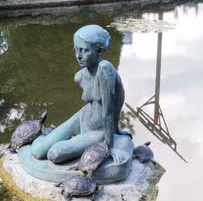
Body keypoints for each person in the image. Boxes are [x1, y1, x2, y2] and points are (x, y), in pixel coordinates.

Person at [30, 25, 130, 164]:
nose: (78, 56)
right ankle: (41, 136)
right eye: (76, 49)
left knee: (55, 154)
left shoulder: (105, 70)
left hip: (98, 130)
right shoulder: (80, 76)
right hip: (82, 117)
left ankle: (51, 137)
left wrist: (110, 145)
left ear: (99, 50)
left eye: (85, 50)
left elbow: (110, 110)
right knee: (38, 151)